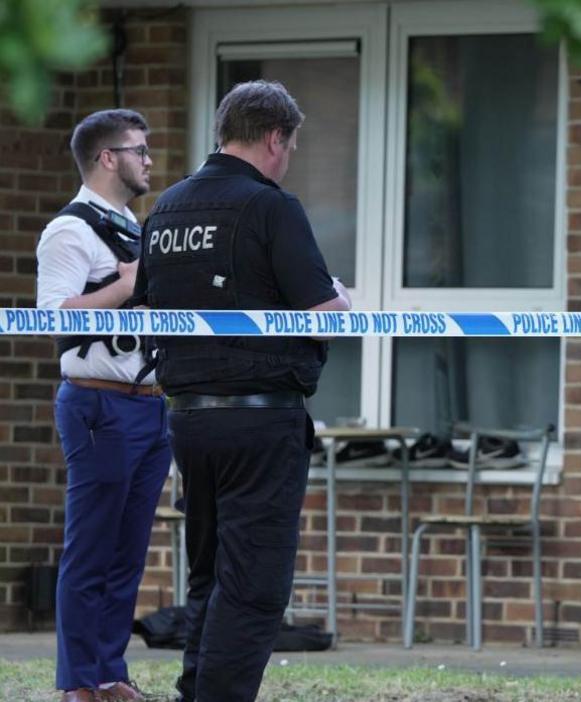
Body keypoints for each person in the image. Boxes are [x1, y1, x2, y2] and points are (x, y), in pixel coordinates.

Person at [131, 80, 350, 702]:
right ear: (276, 137)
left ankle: (195, 691)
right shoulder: (271, 207)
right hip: (259, 419)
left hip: (189, 421)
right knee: (253, 584)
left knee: (208, 575)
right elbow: (326, 311)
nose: (289, 159)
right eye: (292, 145)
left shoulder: (166, 209)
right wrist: (343, 296)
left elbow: (149, 306)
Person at [36, 109, 170, 702]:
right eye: (139, 151)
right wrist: (127, 284)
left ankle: (111, 672)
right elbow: (55, 316)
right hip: (98, 403)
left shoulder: (130, 226)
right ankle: (77, 683)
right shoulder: (69, 231)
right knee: (90, 549)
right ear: (107, 158)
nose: (149, 161)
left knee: (127, 553)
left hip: (150, 403)